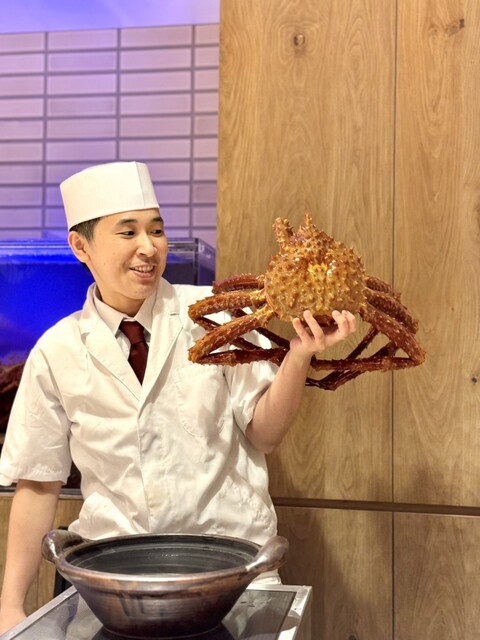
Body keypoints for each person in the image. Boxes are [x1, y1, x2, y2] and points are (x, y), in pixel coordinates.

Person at [0, 161, 356, 632]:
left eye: (157, 230)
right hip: (114, 585)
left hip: (234, 575)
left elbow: (264, 433)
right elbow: (37, 483)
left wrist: (299, 355)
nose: (148, 248)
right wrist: (10, 604)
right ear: (80, 246)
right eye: (128, 232)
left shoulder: (218, 317)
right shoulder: (56, 350)